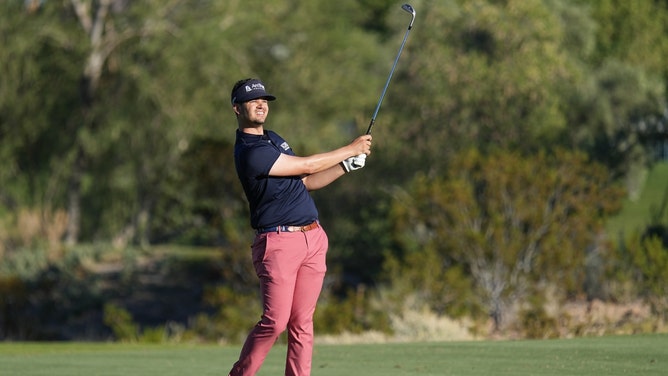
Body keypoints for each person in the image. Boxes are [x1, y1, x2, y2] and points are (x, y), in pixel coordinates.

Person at [228, 78, 372, 376]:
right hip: (278, 243)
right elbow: (306, 165)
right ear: (237, 109)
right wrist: (349, 148)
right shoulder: (250, 151)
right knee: (275, 321)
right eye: (253, 101)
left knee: (302, 323)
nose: (261, 105)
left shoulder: (272, 139)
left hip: (313, 237)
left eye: (264, 100)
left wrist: (345, 166)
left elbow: (306, 182)